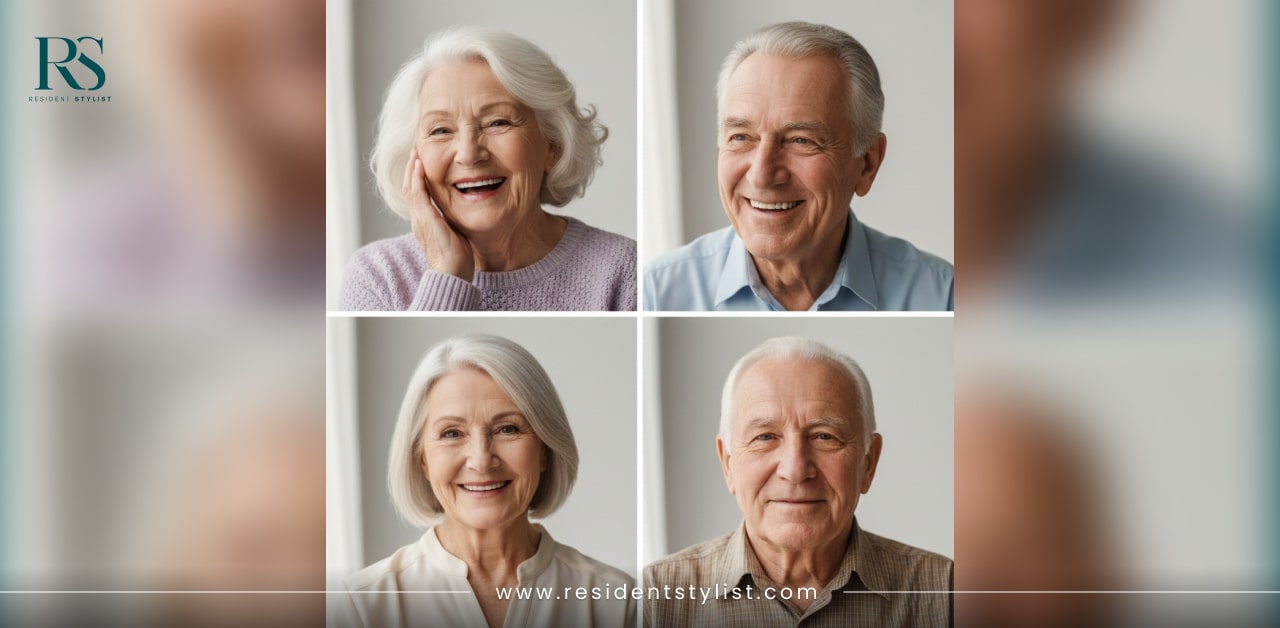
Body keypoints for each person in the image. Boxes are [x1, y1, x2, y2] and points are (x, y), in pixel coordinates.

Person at [644, 22, 953, 312]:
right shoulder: (658, 293)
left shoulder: (942, 296)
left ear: (868, 164)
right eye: (740, 137)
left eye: (801, 141)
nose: (762, 175)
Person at [644, 337, 952, 627]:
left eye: (824, 437)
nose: (795, 469)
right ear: (728, 463)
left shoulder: (947, 594)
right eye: (764, 437)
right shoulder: (654, 600)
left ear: (868, 463)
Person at [336, 335, 635, 628]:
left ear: (544, 449)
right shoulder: (360, 608)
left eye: (507, 429)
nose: (481, 461)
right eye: (452, 433)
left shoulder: (617, 604)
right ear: (422, 459)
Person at [341, 28, 637, 311]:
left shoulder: (622, 270)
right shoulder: (377, 276)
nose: (469, 154)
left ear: (553, 146)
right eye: (441, 130)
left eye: (499, 122)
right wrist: (447, 272)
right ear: (413, 156)